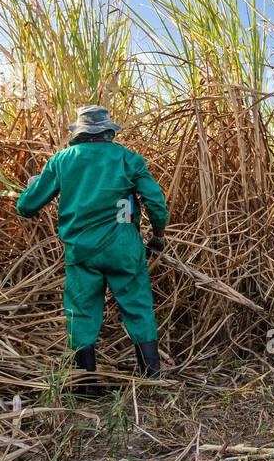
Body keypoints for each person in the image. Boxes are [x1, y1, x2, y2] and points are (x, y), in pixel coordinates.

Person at [16, 105, 168, 390]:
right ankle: (152, 377)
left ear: (80, 133)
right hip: (124, 248)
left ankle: (86, 385)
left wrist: (32, 186)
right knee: (138, 307)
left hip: (82, 252)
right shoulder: (128, 159)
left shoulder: (62, 161)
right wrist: (158, 235)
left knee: (82, 312)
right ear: (109, 131)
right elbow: (156, 201)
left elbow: (26, 206)